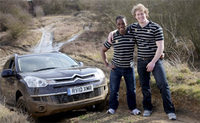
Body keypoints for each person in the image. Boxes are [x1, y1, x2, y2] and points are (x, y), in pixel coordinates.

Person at [108, 3, 176, 120]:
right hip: (141, 61)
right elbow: (121, 28)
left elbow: (160, 48)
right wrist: (112, 32)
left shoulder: (156, 27)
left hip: (155, 61)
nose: (140, 16)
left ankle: (169, 110)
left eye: (142, 13)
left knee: (163, 84)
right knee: (145, 86)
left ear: (146, 14)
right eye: (137, 14)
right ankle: (148, 108)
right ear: (135, 16)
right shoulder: (134, 27)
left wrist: (153, 62)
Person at [100, 15, 141, 115]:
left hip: (129, 68)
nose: (121, 25)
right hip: (116, 68)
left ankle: (133, 109)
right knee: (114, 90)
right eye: (119, 24)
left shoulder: (132, 35)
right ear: (116, 25)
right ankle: (112, 108)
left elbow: (143, 43)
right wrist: (107, 64)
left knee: (131, 90)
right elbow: (103, 50)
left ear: (126, 23)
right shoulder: (113, 36)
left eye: (123, 23)